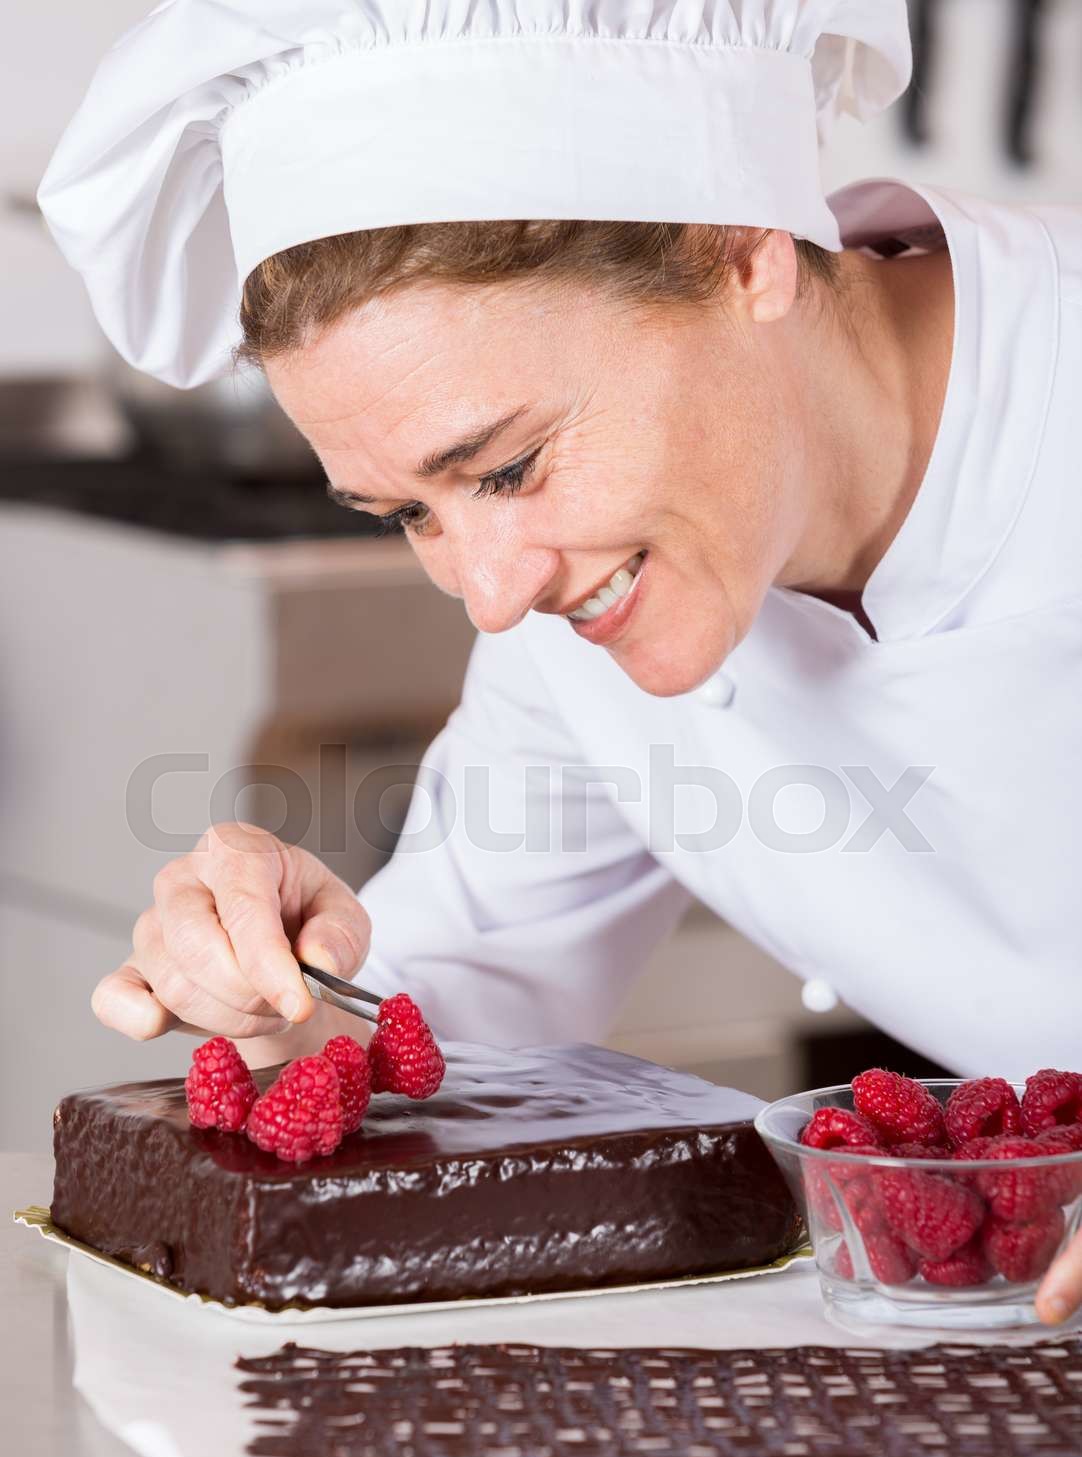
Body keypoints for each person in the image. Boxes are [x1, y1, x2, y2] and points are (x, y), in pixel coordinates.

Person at [38, 2, 1081, 1325]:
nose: (491, 593)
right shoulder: (585, 605)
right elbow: (468, 986)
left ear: (740, 252)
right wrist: (293, 989)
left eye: (511, 465)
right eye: (409, 513)